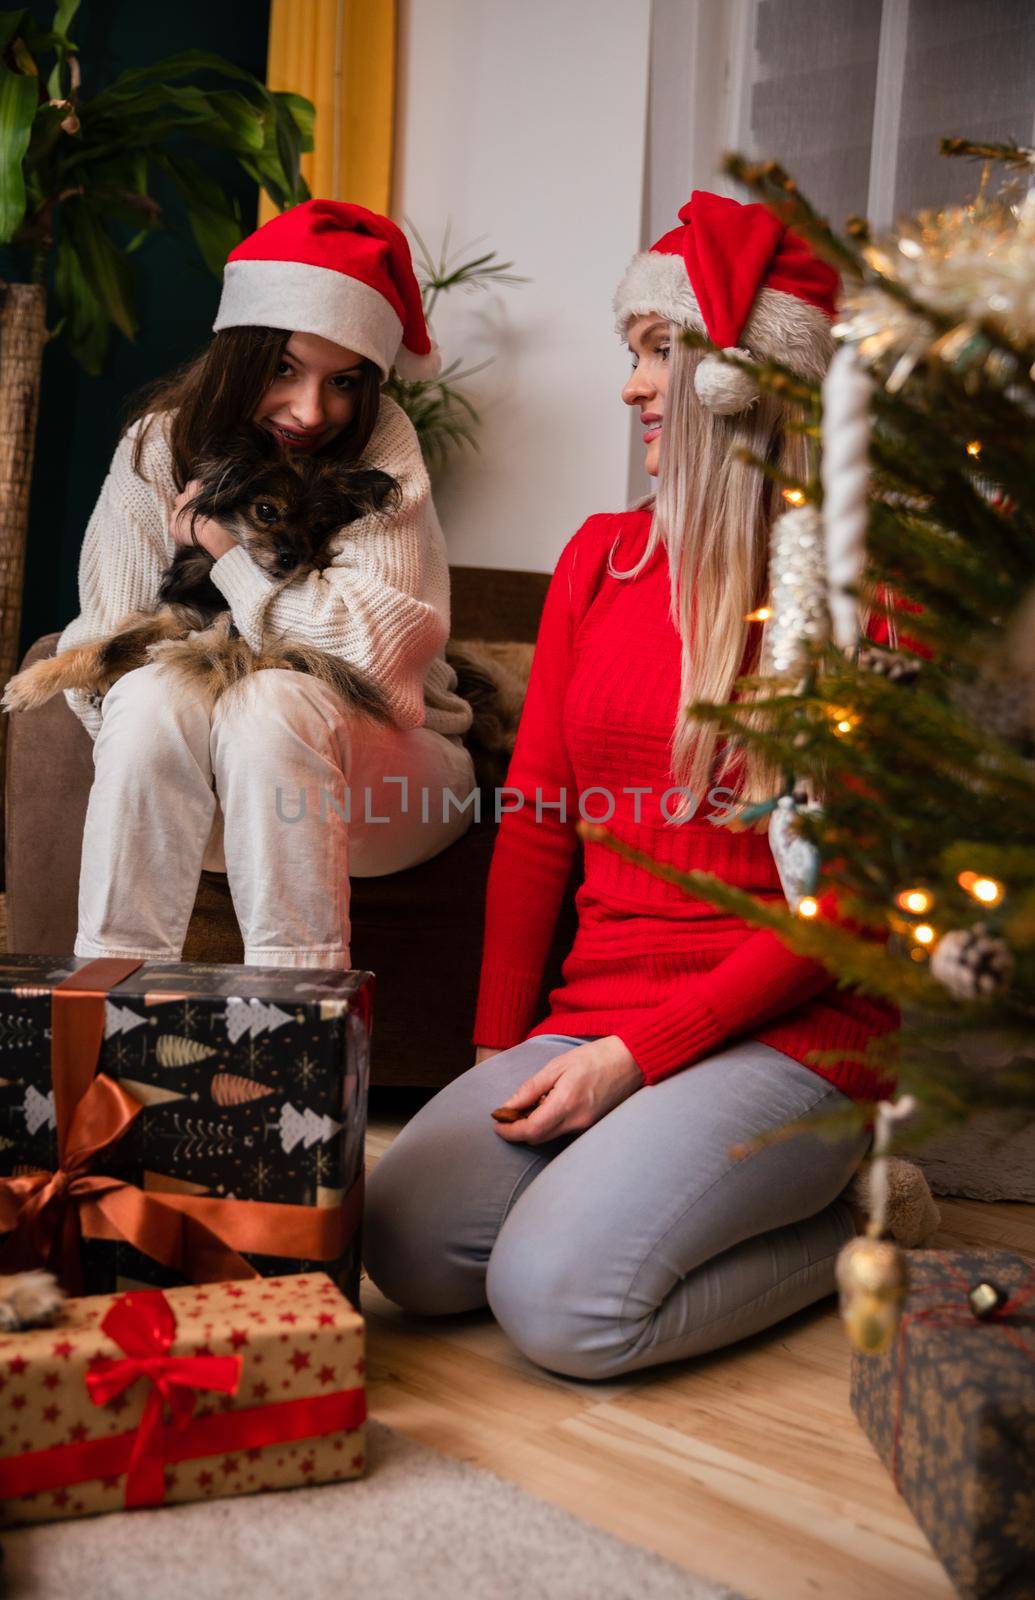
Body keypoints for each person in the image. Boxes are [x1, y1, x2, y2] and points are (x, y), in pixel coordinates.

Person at [364, 192, 912, 1380]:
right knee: (405, 1242)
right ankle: (624, 1175)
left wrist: (639, 1057)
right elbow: (538, 828)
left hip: (788, 1038)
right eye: (633, 354)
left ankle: (851, 1213)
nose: (631, 387)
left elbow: (850, 915)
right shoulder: (597, 563)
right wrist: (495, 1054)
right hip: (596, 1012)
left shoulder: (865, 607)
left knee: (559, 1306)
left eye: (658, 352)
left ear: (739, 378)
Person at [56, 200, 474, 970]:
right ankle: (103, 1019)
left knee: (272, 700)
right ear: (240, 355)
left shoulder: (382, 445)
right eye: (283, 368)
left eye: (344, 381)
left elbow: (374, 663)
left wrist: (226, 555)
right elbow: (107, 653)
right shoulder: (157, 445)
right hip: (209, 793)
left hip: (386, 779)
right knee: (149, 693)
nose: (313, 411)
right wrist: (196, 744)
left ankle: (294, 1036)